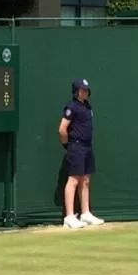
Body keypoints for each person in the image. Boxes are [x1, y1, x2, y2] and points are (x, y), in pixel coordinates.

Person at [58, 77, 104, 229]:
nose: (86, 92)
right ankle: (69, 217)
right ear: (76, 91)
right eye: (83, 90)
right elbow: (62, 129)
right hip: (75, 147)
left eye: (87, 90)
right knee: (74, 180)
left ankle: (85, 213)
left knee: (85, 180)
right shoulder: (71, 107)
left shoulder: (87, 106)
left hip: (87, 147)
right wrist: (67, 144)